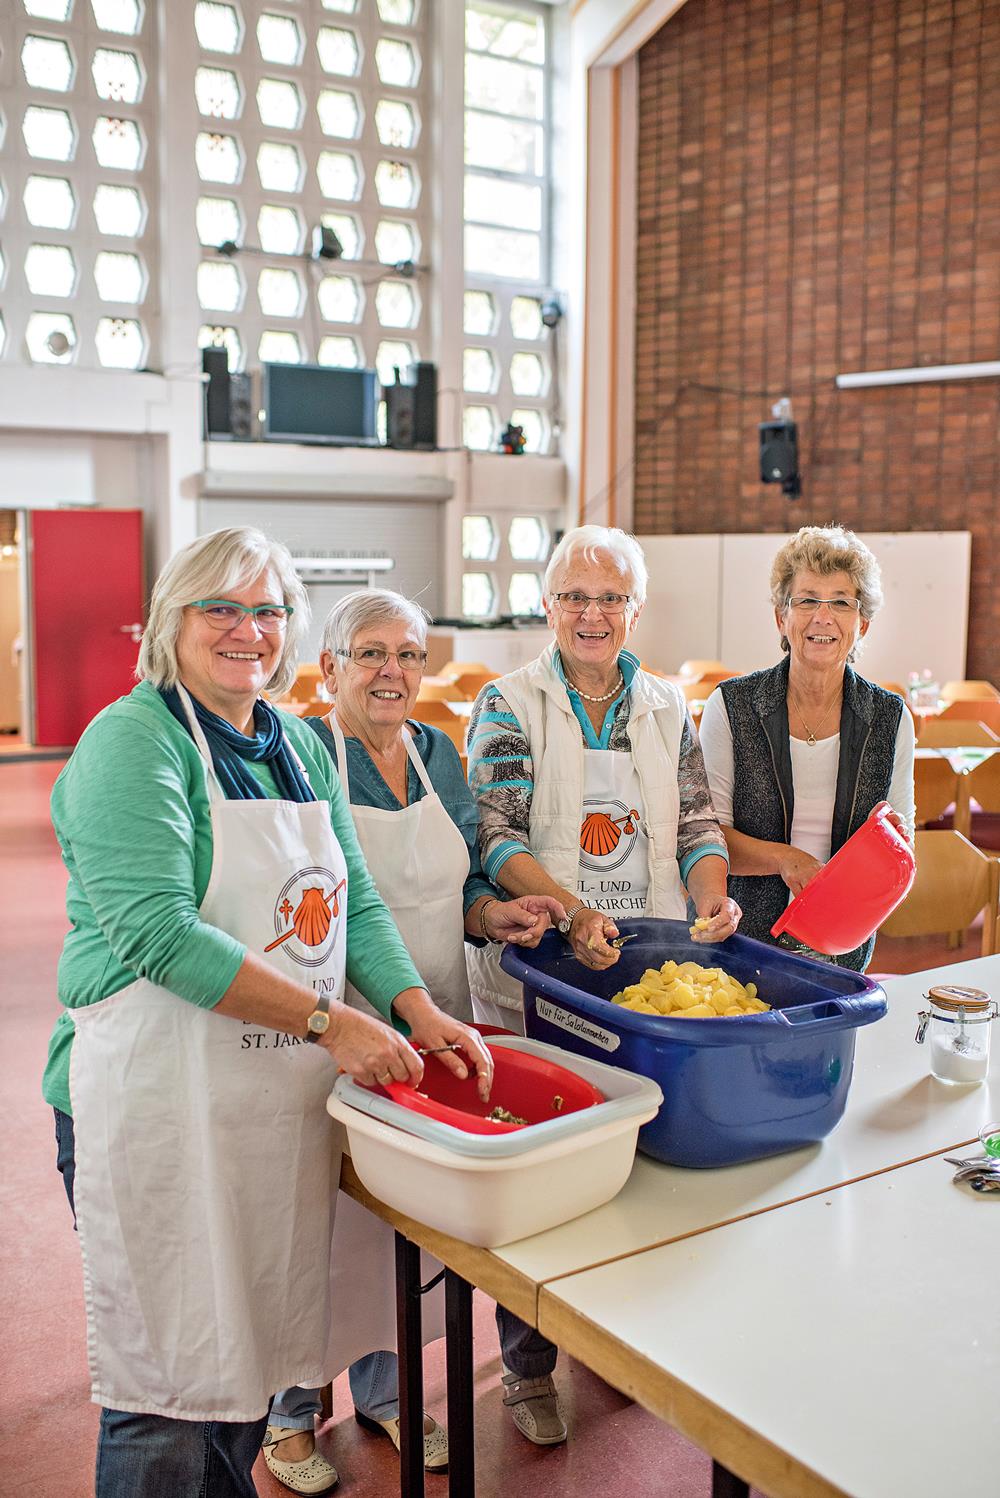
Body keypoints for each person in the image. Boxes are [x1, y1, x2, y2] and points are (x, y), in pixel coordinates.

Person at [43, 528, 492, 1498]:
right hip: (158, 1105)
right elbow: (156, 934)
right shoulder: (136, 738)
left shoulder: (291, 742)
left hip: (264, 1107)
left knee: (245, 1369)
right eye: (223, 607)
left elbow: (356, 899)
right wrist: (335, 1024)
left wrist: (415, 1009)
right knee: (168, 1388)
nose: (248, 630)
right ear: (174, 618)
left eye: (268, 610)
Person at [265, 589, 563, 1491]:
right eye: (369, 653)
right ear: (330, 668)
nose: (391, 671)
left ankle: (389, 1391)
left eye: (407, 653)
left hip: (435, 1012)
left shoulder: (437, 752)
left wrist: (495, 914)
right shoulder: (304, 752)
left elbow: (463, 876)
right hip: (333, 1023)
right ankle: (288, 1412)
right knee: (311, 1218)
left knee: (398, 1219)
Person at [466, 522, 740, 1443]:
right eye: (576, 596)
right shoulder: (510, 703)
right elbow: (497, 839)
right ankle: (527, 1364)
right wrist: (572, 914)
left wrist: (714, 900)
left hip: (645, 973)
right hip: (546, 970)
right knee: (545, 1169)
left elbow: (700, 827)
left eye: (611, 597)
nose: (593, 613)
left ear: (635, 609)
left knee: (639, 1163)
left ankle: (610, 1336)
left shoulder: (668, 706)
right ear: (548, 606)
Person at [698, 524, 916, 971]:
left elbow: (901, 845)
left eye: (841, 601)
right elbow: (706, 835)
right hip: (739, 943)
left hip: (842, 952)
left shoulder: (891, 718)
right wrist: (787, 860)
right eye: (807, 599)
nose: (824, 616)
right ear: (782, 617)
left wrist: (881, 857)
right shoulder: (732, 705)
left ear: (862, 623)